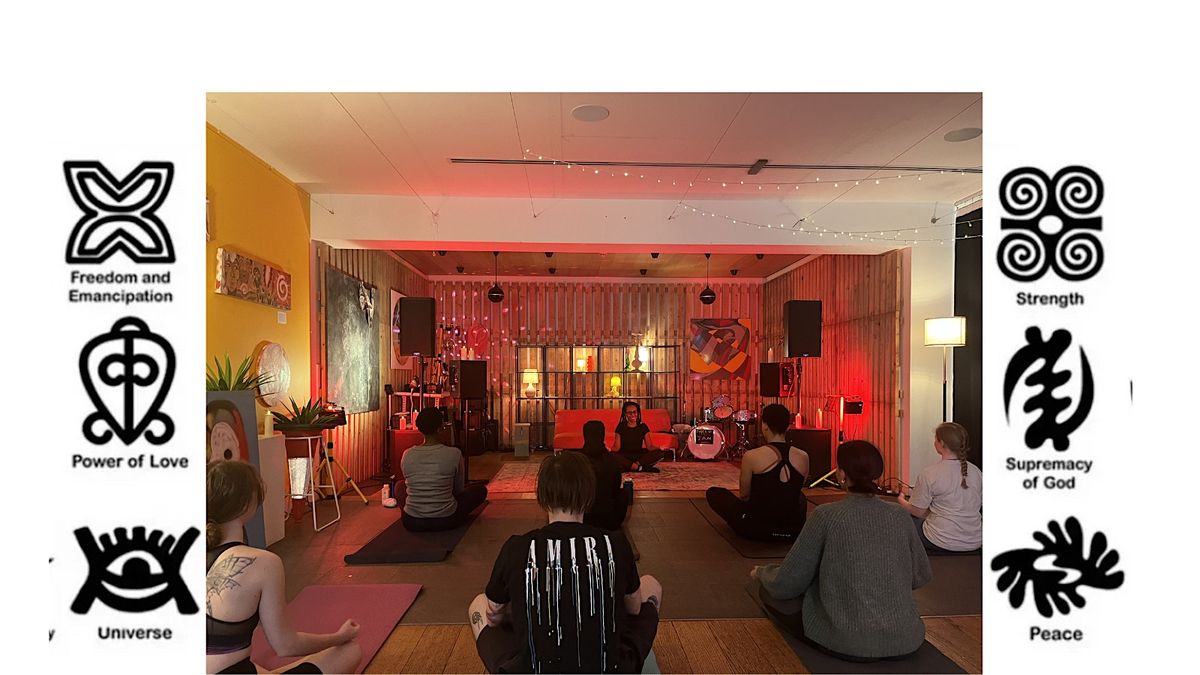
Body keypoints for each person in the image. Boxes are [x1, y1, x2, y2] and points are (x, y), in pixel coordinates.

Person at [469, 452, 661, 673]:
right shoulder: (615, 543)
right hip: (612, 669)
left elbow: (494, 616)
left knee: (478, 604)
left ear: (542, 497)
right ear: (588, 496)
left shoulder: (517, 547)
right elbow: (634, 609)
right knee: (651, 584)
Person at [752, 441, 931, 662]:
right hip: (906, 638)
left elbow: (787, 583)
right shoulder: (899, 515)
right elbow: (921, 575)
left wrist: (762, 573)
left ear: (842, 474)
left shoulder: (826, 515)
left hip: (844, 640)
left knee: (768, 592)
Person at [206, 460, 361, 674]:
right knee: (349, 651)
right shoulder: (263, 562)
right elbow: (286, 645)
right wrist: (339, 637)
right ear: (246, 505)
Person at [706, 403, 810, 541]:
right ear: (788, 426)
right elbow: (796, 488)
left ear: (764, 425)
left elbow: (744, 495)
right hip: (792, 531)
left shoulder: (751, 456)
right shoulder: (803, 456)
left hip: (755, 529)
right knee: (800, 497)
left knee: (714, 493)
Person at [897, 422, 982, 553]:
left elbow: (917, 512)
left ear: (941, 443)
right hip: (975, 540)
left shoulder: (930, 473)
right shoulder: (977, 472)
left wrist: (901, 501)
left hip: (940, 540)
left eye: (935, 439)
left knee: (901, 517)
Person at [400, 406, 488, 532]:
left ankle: (417, 509)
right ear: (440, 428)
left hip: (412, 521)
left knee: (399, 487)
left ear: (419, 428)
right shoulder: (454, 454)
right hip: (447, 519)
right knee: (480, 490)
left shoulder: (407, 455)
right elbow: (458, 490)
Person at [576, 420, 633, 531]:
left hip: (581, 518)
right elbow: (615, 489)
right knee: (623, 494)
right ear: (603, 435)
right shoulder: (612, 460)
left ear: (585, 435)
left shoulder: (577, 460)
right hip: (608, 519)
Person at [612, 401, 665, 473]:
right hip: (624, 456)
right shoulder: (620, 427)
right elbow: (616, 448)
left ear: (638, 413)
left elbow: (649, 447)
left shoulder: (643, 427)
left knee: (660, 453)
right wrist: (607, 450)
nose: (633, 414)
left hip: (639, 457)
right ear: (625, 414)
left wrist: (660, 448)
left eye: (635, 412)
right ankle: (640, 468)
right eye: (629, 413)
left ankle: (632, 466)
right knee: (611, 455)